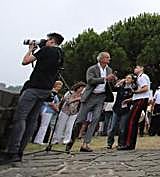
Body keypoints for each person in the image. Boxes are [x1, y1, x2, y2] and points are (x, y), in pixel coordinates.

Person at [1, 32, 64, 165]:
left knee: (20, 118)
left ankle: (12, 151)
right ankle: (20, 152)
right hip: (45, 89)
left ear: (52, 41)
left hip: (34, 87)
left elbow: (25, 61)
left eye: (47, 40)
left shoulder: (47, 50)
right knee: (32, 121)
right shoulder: (60, 54)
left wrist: (30, 50)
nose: (44, 41)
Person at [67, 51, 116, 152]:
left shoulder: (109, 69)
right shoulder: (92, 69)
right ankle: (71, 141)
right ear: (101, 59)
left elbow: (108, 83)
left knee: (95, 119)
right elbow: (90, 81)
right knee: (80, 120)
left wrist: (112, 80)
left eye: (109, 58)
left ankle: (85, 144)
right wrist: (105, 78)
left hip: (101, 97)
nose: (109, 59)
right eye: (107, 57)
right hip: (90, 96)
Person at [119, 64, 150, 150]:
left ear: (142, 68)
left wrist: (135, 92)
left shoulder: (142, 77)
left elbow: (145, 88)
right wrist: (131, 99)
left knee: (132, 121)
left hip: (141, 99)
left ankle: (129, 144)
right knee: (132, 121)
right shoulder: (138, 78)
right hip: (138, 99)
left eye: (137, 67)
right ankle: (129, 143)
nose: (135, 69)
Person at [107, 74, 136, 149]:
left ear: (132, 80)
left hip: (125, 110)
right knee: (112, 127)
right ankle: (109, 143)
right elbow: (113, 88)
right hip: (117, 108)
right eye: (126, 77)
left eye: (129, 78)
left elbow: (134, 98)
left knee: (122, 128)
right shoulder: (121, 87)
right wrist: (119, 82)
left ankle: (121, 143)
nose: (127, 79)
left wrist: (129, 100)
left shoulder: (133, 88)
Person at [33, 80, 63, 144]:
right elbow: (50, 103)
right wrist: (57, 109)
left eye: (60, 86)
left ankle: (39, 139)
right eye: (58, 86)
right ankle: (39, 140)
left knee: (44, 126)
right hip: (47, 110)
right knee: (44, 126)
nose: (59, 88)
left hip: (50, 111)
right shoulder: (52, 92)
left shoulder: (55, 93)